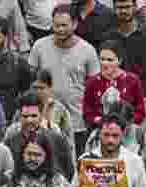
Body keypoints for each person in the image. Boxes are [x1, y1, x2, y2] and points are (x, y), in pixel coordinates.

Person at [28, 4, 101, 154]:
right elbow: (32, 80)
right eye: (56, 25)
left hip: (77, 122)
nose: (60, 29)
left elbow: (94, 87)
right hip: (45, 119)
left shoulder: (88, 51)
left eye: (64, 25)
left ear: (75, 24)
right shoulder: (39, 46)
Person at [82, 40, 146, 132]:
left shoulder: (133, 80)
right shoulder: (92, 82)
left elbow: (140, 111)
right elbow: (87, 112)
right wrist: (100, 121)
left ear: (119, 61)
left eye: (110, 60)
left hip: (128, 132)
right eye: (102, 59)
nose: (105, 63)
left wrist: (124, 123)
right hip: (100, 132)